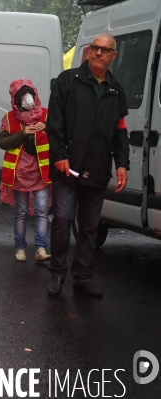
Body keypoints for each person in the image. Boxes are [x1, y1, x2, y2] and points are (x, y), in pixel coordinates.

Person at [45, 33, 130, 297]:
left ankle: (82, 278)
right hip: (67, 167)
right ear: (89, 51)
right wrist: (59, 154)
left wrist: (122, 164)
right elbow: (54, 121)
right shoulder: (68, 80)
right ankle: (58, 274)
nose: (99, 53)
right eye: (95, 48)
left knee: (90, 227)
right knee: (61, 220)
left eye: (105, 50)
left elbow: (120, 131)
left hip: (97, 167)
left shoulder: (116, 90)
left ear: (113, 56)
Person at [0, 79, 52, 263]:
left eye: (31, 94)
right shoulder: (9, 118)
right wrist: (23, 133)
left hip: (41, 172)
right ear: (16, 99)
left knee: (42, 211)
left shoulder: (46, 115)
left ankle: (41, 248)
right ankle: (20, 248)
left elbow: (63, 134)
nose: (28, 99)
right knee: (20, 212)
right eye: (23, 96)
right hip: (19, 174)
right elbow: (2, 143)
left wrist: (48, 127)